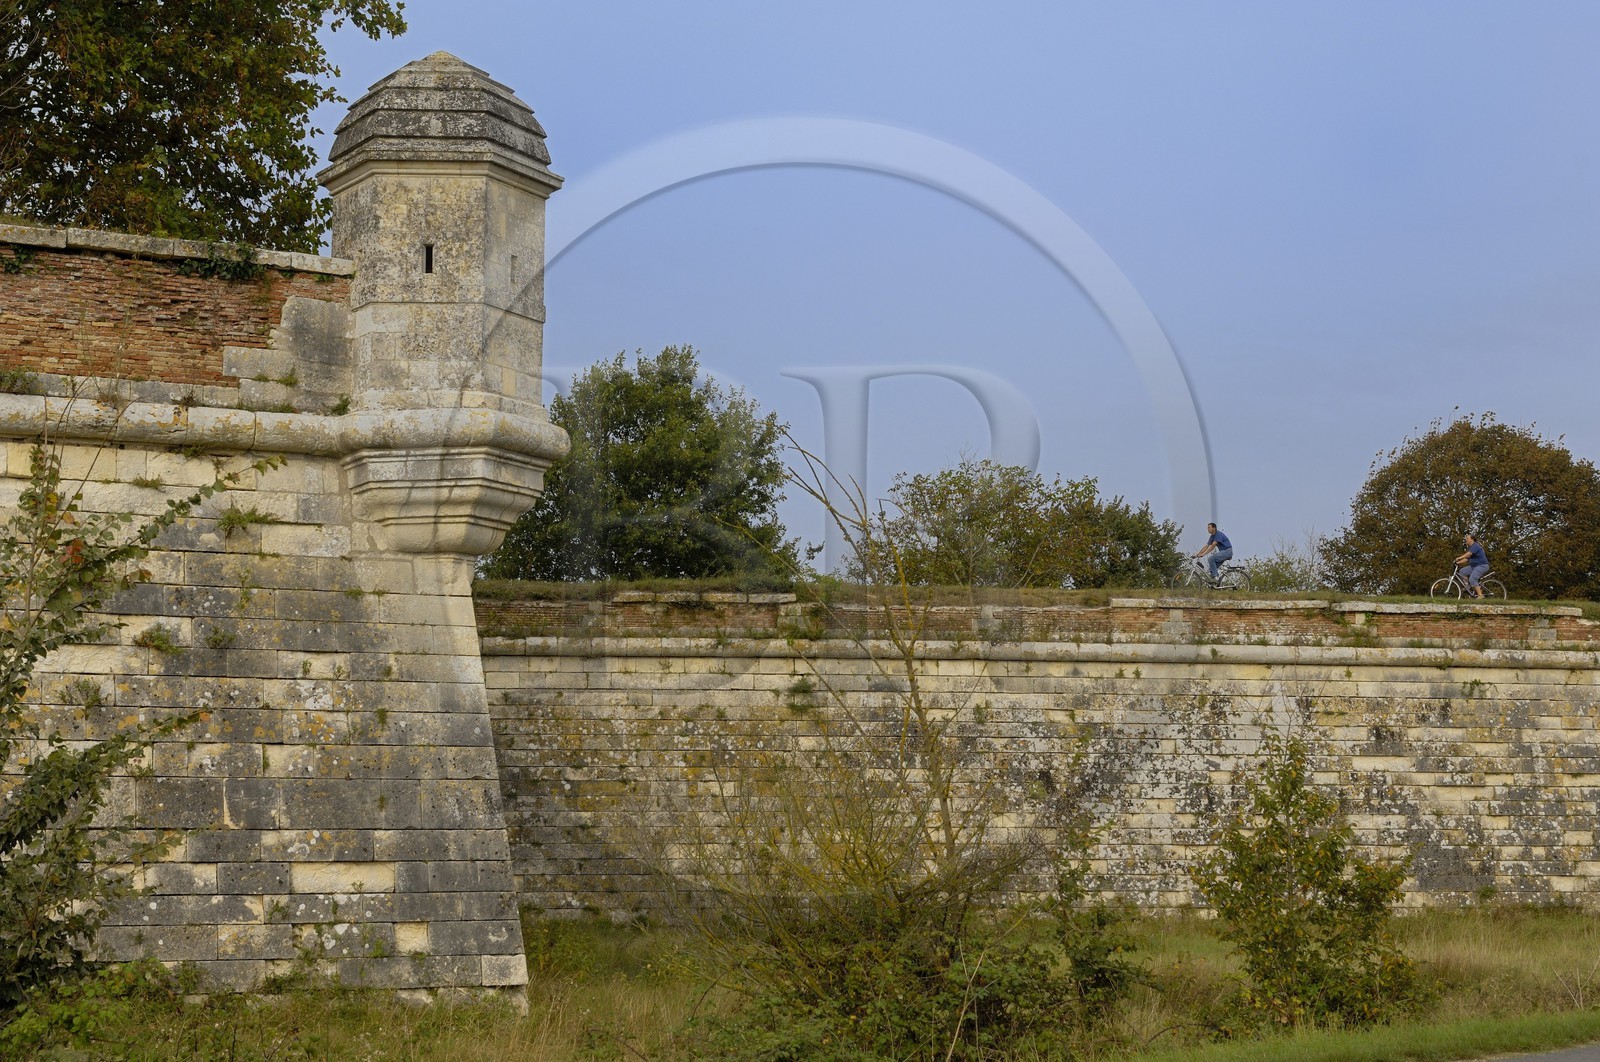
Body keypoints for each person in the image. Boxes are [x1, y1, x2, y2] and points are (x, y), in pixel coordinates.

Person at [1454, 533, 1490, 599]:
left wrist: (1460, 557)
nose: (1466, 540)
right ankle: (1467, 587)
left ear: (1472, 539)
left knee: (1472, 579)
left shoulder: (1475, 546)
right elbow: (1467, 559)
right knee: (1462, 572)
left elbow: (1469, 554)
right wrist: (1457, 562)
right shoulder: (1470, 548)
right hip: (1474, 566)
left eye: (1467, 538)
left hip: (1482, 565)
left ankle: (1480, 595)